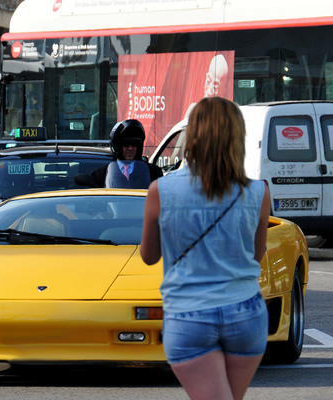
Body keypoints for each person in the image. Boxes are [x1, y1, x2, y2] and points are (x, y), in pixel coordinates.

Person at [140, 97, 271, 400]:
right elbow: (256, 254)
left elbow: (149, 256)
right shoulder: (258, 192)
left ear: (192, 137)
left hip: (189, 314)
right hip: (245, 313)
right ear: (237, 137)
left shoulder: (161, 190)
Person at [89, 119, 163, 189]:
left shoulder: (153, 172)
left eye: (134, 144)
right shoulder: (100, 175)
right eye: (126, 144)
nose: (130, 148)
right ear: (117, 146)